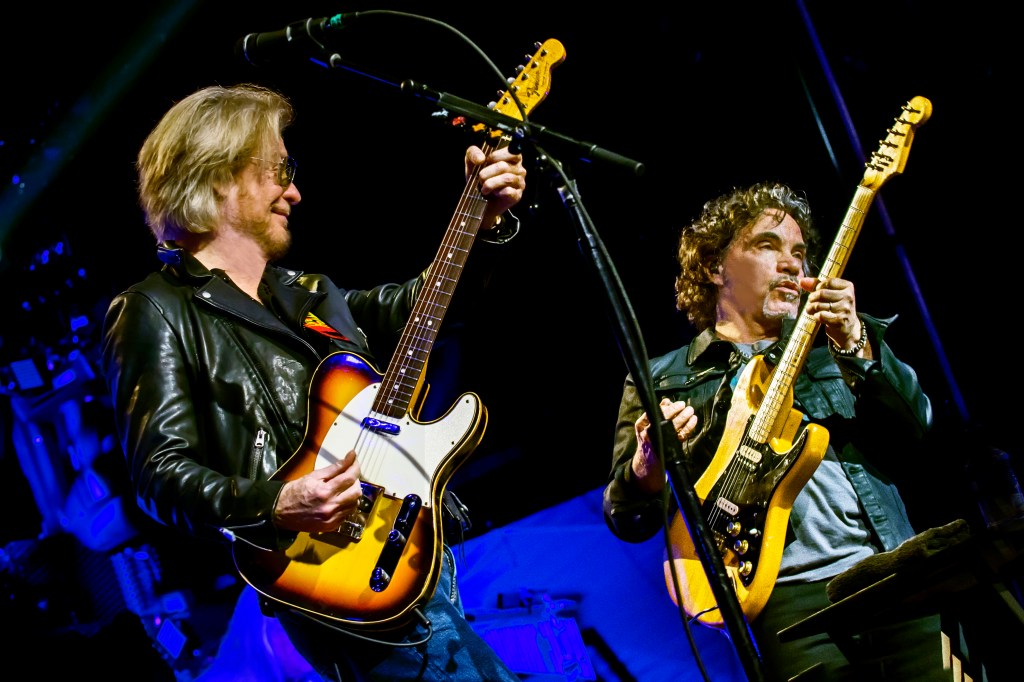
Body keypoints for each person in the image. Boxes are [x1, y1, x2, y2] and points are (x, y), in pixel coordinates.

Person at [101, 83, 526, 681]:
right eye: (279, 169)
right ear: (218, 174)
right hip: (331, 567)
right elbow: (159, 472)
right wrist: (276, 503)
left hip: (413, 543)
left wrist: (479, 224)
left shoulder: (307, 293)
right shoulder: (154, 308)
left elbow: (423, 310)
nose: (294, 191)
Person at [602, 181, 947, 681]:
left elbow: (918, 429)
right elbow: (627, 519)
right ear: (715, 266)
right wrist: (646, 467)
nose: (793, 265)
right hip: (782, 604)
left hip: (888, 570)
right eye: (768, 246)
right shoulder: (659, 378)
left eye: (801, 253)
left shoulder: (835, 340)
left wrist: (856, 344)